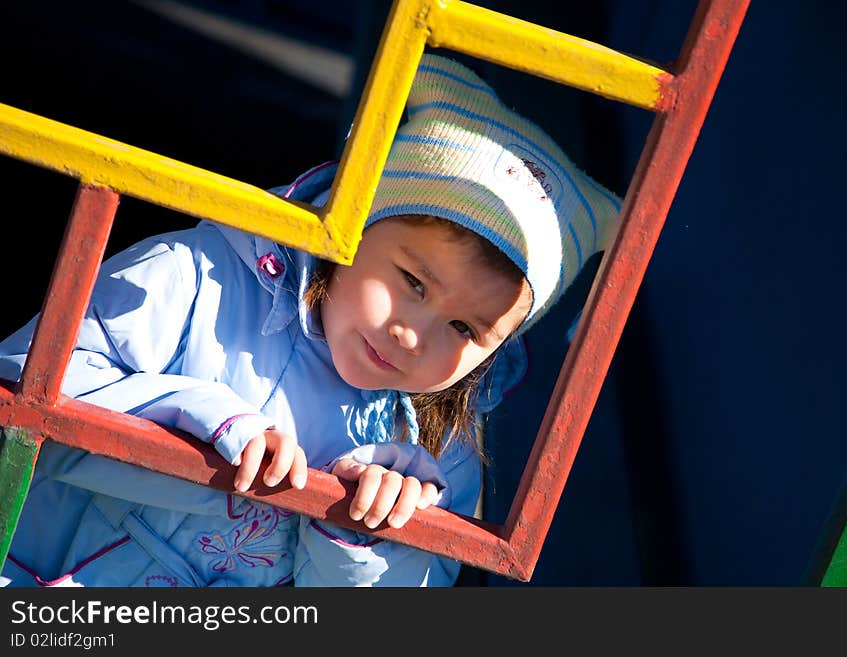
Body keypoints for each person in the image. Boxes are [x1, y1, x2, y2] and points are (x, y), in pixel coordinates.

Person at [0, 54, 620, 587]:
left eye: (465, 330)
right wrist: (204, 421)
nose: (414, 334)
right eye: (412, 282)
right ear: (349, 226)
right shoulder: (199, 279)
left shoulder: (437, 455)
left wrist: (367, 537)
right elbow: (27, 385)